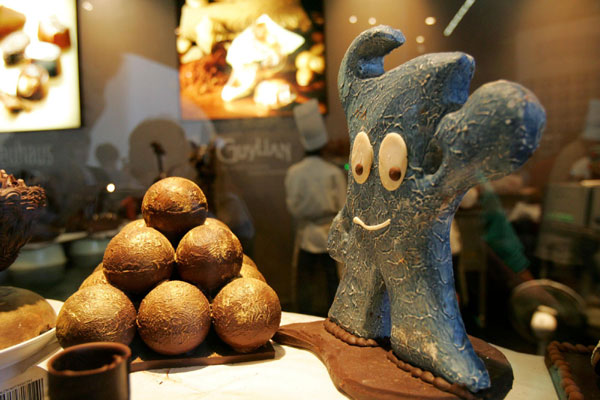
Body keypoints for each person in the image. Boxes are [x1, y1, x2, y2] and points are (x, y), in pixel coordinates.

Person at [285, 100, 346, 316]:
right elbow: (344, 207)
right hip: (330, 234)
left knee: (306, 287)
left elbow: (293, 207)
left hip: (306, 235)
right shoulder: (332, 172)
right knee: (332, 285)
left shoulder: (294, 172)